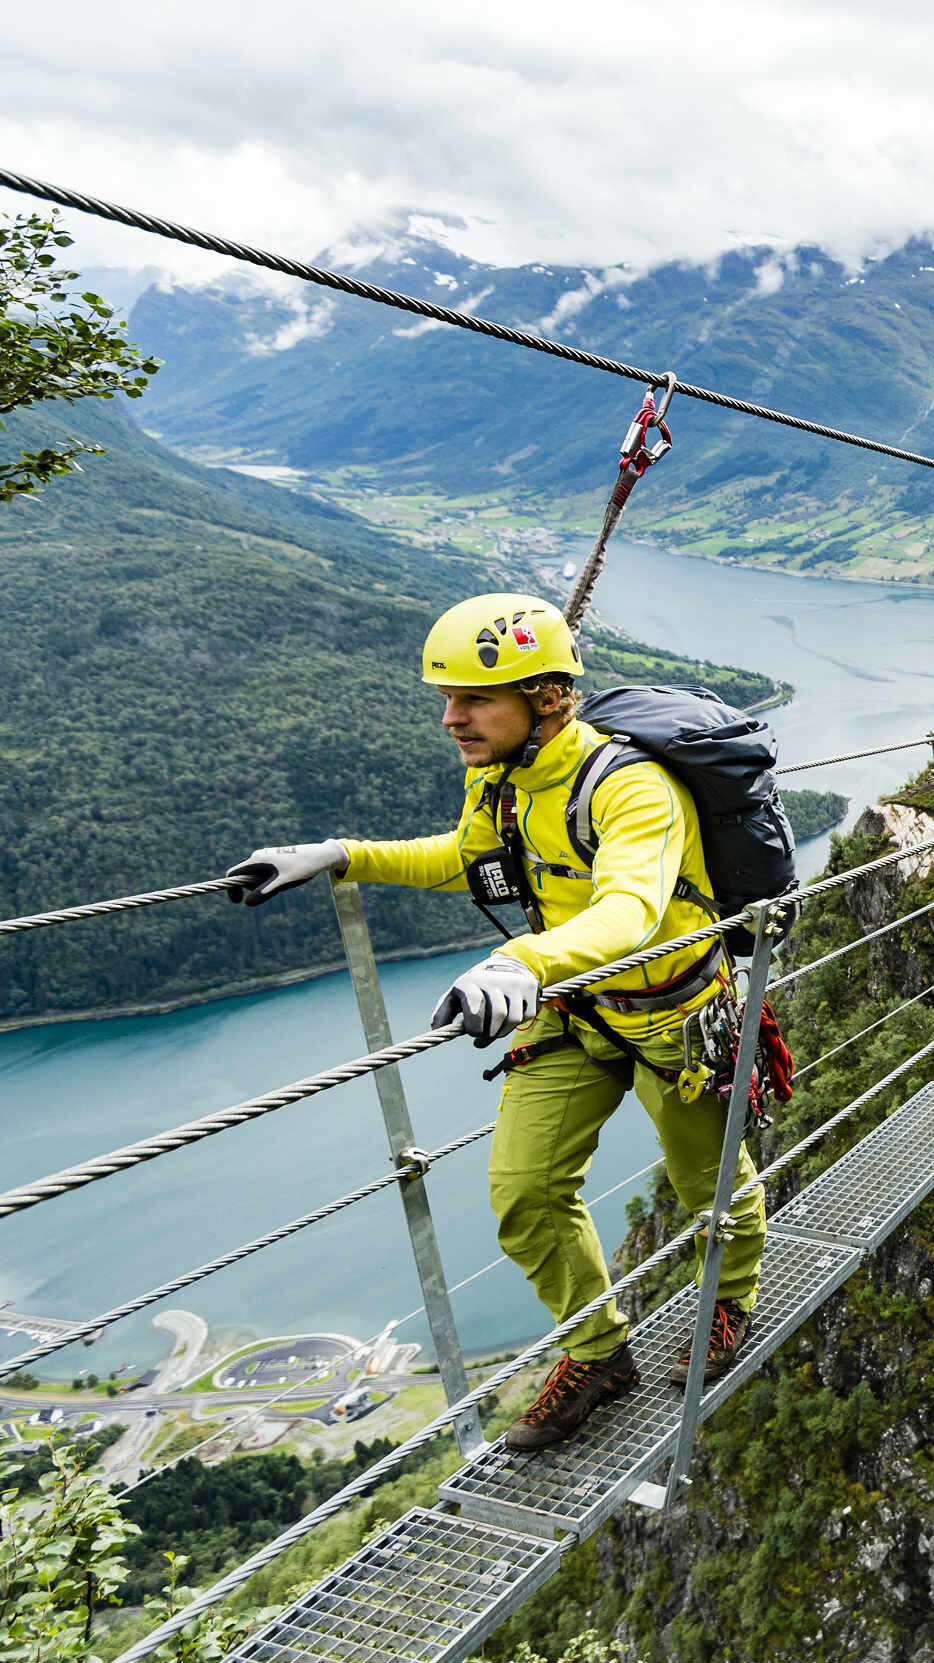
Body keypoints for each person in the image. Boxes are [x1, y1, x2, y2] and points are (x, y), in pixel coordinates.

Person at [224, 594, 766, 1452]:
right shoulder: (503, 780)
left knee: (710, 1188)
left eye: (474, 699)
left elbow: (629, 910)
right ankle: (598, 1352)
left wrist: (522, 963)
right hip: (573, 1010)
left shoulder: (635, 788)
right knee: (523, 1193)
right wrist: (339, 855)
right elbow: (462, 859)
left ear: (548, 696)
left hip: (672, 1015)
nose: (451, 718)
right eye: (447, 698)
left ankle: (730, 1301)